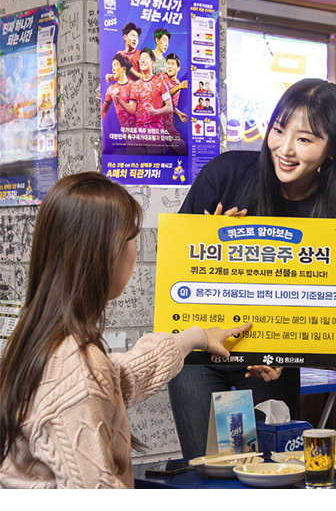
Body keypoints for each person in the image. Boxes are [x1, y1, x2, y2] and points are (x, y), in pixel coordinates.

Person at [0, 172, 250, 488]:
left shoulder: (37, 339)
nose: (136, 250)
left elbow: (119, 377)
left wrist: (195, 337)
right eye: (132, 239)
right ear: (104, 253)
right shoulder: (75, 365)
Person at [168, 77, 336, 459]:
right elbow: (175, 270)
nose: (285, 149)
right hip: (199, 354)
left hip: (268, 364)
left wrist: (283, 358)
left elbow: (318, 306)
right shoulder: (226, 174)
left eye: (305, 139)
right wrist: (207, 240)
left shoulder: (332, 218)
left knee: (268, 469)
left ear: (332, 149)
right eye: (279, 130)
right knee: (209, 469)